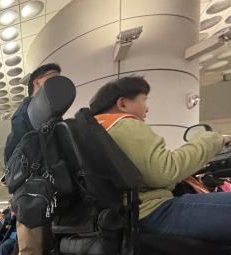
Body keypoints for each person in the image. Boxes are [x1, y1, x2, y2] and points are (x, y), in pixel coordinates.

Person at [89, 76, 231, 244]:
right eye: (144, 100)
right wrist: (211, 140)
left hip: (121, 217)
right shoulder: (124, 125)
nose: (147, 109)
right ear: (122, 104)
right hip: (152, 211)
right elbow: (165, 171)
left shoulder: (95, 129)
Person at [4, 63, 62, 255]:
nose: (57, 86)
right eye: (51, 81)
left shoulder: (51, 116)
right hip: (32, 190)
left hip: (46, 189)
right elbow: (14, 154)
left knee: (42, 246)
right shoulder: (27, 112)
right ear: (36, 85)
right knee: (31, 246)